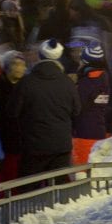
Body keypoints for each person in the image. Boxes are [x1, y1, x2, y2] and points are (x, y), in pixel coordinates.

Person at [15, 39, 81, 182]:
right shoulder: (67, 82)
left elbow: (12, 111)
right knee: (58, 191)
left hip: (34, 144)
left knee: (29, 192)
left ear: (40, 55)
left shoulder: (26, 82)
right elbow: (76, 111)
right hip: (61, 145)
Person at [0, 50, 26, 183]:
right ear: (6, 67)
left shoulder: (28, 87)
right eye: (16, 64)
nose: (20, 67)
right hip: (5, 145)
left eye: (22, 64)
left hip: (26, 145)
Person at [72, 42, 110, 165]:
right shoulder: (105, 77)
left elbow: (77, 106)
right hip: (100, 129)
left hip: (84, 133)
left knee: (83, 171)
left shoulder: (88, 81)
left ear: (85, 62)